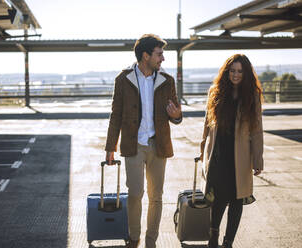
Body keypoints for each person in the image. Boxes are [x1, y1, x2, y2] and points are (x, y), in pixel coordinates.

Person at [105, 34, 182, 248]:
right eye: (159, 54)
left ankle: (151, 241)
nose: (162, 59)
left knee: (156, 196)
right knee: (135, 193)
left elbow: (175, 114)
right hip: (134, 144)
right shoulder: (124, 79)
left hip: (159, 145)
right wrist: (110, 147)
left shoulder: (167, 81)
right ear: (145, 56)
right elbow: (115, 115)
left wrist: (176, 115)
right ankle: (134, 237)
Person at [199, 54, 264, 248]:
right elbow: (206, 124)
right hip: (218, 154)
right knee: (217, 199)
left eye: (240, 72)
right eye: (232, 71)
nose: (235, 75)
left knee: (236, 200)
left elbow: (257, 130)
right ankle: (213, 236)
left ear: (246, 74)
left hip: (240, 157)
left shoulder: (252, 95)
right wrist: (202, 150)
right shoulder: (215, 92)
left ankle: (228, 243)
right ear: (226, 72)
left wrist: (258, 160)